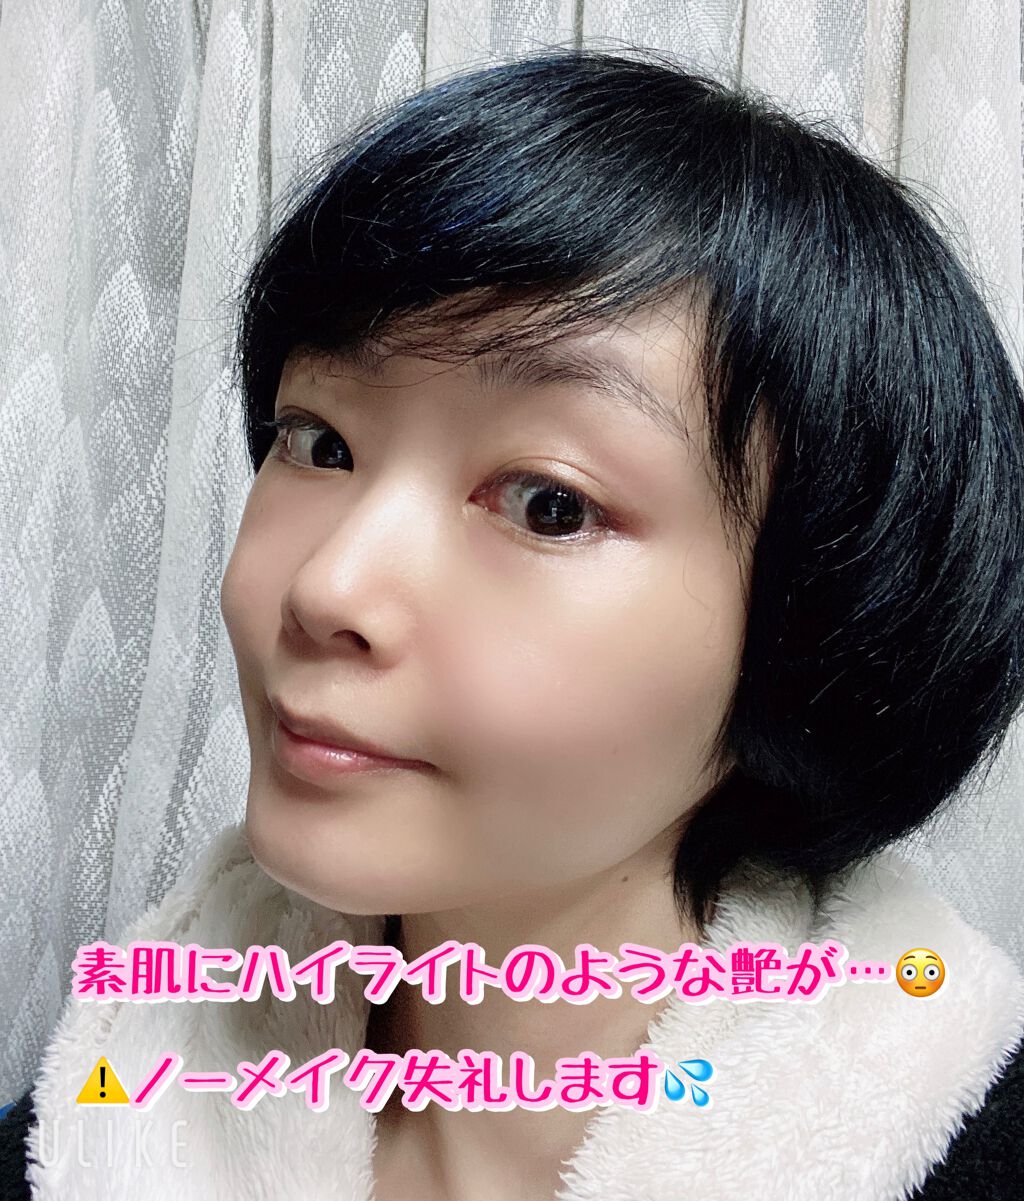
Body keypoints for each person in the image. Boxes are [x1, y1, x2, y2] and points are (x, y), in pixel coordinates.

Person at [3, 45, 1024, 1201]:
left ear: (815, 637)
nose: (329, 588)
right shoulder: (93, 1122)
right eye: (318, 441)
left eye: (548, 504)